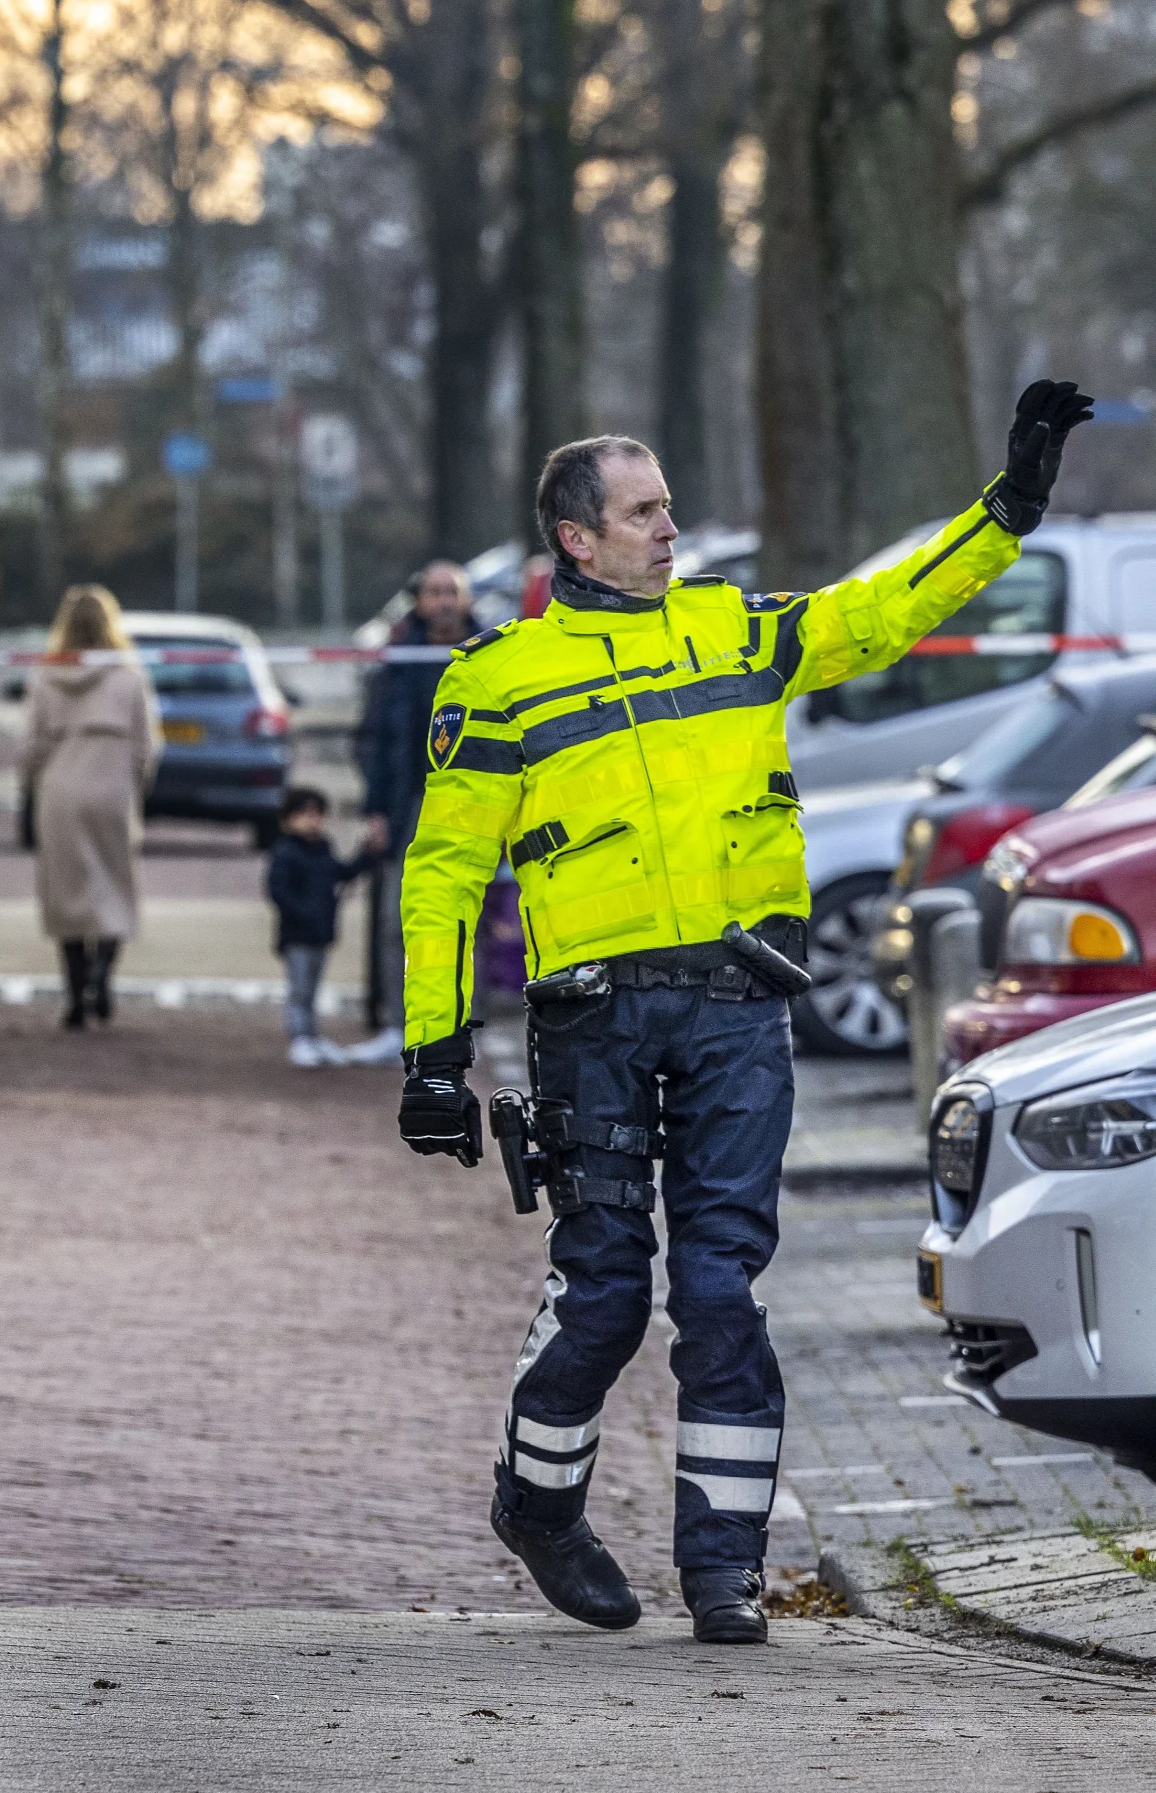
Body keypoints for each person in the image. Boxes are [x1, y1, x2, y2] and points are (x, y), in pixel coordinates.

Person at [397, 383, 1096, 1646]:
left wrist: (1011, 510)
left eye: (669, 506)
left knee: (721, 1293)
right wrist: (432, 1054)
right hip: (591, 1024)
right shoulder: (496, 681)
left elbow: (880, 612)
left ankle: (724, 1568)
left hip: (735, 1011)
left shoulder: (741, 632)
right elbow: (442, 873)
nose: (672, 528)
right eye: (645, 511)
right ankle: (540, 1507)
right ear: (578, 539)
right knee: (605, 1292)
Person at [21, 583, 159, 1029]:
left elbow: (31, 746)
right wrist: (134, 786)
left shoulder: (46, 676)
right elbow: (146, 746)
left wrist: (32, 785)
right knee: (113, 887)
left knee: (66, 895)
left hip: (61, 789)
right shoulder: (129, 675)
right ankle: (104, 971)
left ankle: (74, 996)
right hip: (111, 786)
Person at [351, 560, 471, 1037]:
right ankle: (398, 1026)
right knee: (396, 920)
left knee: (467, 920)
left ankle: (462, 1023)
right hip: (409, 805)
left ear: (466, 600)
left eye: (452, 592)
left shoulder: (492, 652)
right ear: (419, 602)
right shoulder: (398, 661)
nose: (443, 601)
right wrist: (376, 810)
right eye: (434, 592)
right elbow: (374, 737)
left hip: (473, 808)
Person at [263, 786, 369, 1067]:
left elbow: (343, 872)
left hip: (320, 934)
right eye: (304, 814)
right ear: (287, 819)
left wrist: (366, 855)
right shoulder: (285, 852)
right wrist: (304, 913)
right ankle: (300, 1037)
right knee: (300, 989)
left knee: (312, 989)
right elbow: (277, 891)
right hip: (297, 935)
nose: (312, 821)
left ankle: (312, 1036)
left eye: (317, 815)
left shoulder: (324, 848)